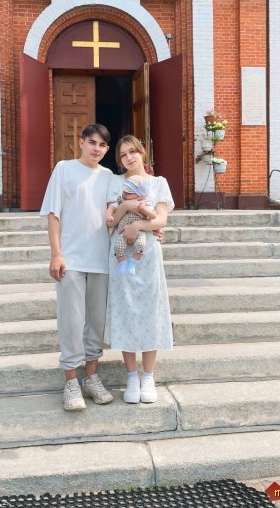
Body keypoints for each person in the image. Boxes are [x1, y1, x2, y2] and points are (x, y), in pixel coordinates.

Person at [40, 124, 114, 411]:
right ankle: (71, 382)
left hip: (101, 259)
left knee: (96, 321)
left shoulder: (108, 176)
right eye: (92, 142)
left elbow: (116, 213)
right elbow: (53, 214)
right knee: (71, 320)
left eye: (103, 145)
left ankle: (91, 378)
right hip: (70, 259)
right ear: (81, 142)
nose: (97, 149)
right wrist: (56, 254)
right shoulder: (64, 169)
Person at [104, 135, 174, 404]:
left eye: (132, 152)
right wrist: (127, 206)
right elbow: (110, 222)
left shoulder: (159, 183)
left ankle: (148, 376)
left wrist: (138, 226)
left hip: (148, 256)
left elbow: (161, 219)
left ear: (142, 152)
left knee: (149, 311)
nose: (129, 158)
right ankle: (131, 376)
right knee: (126, 310)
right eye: (123, 155)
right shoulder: (115, 182)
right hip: (121, 255)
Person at [106, 175, 157, 275]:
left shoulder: (145, 203)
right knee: (118, 246)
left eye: (129, 193)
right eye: (124, 192)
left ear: (140, 195)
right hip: (122, 231)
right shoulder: (121, 201)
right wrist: (108, 215)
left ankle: (133, 264)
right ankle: (122, 263)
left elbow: (153, 216)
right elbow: (111, 207)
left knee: (141, 244)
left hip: (140, 231)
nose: (125, 195)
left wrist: (144, 209)